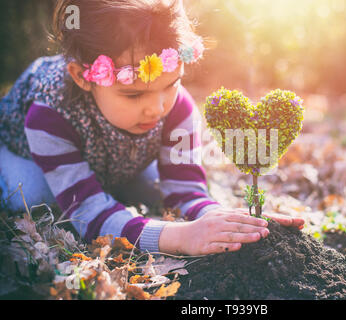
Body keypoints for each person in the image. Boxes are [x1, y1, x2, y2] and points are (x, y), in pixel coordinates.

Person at [0, 0, 304, 256]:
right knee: (39, 200)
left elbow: (187, 188)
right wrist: (180, 237)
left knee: (153, 190)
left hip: (116, 161)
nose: (157, 108)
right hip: (26, 157)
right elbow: (86, 213)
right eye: (133, 94)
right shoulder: (49, 114)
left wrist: (224, 219)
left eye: (171, 85)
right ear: (83, 77)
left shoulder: (177, 105)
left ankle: (108, 188)